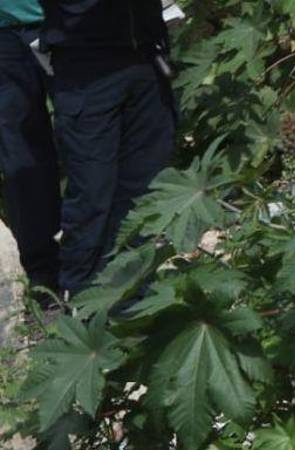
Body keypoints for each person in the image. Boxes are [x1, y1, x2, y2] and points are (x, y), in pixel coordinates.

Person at [40, 0, 175, 298]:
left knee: (144, 189)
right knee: (92, 193)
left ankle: (135, 298)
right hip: (86, 65)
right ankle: (82, 300)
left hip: (146, 55)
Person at [0, 0, 61, 295]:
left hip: (66, 22)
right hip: (4, 37)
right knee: (20, 156)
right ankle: (43, 273)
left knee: (90, 138)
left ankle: (100, 255)